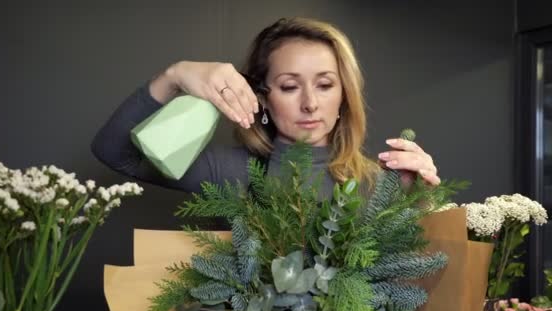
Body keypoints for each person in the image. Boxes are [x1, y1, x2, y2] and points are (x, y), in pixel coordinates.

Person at [91, 17, 440, 202]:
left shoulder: (377, 183)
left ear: (344, 95)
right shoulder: (234, 172)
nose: (310, 103)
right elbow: (114, 153)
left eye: (325, 84)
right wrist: (174, 76)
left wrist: (421, 200)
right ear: (263, 98)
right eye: (289, 86)